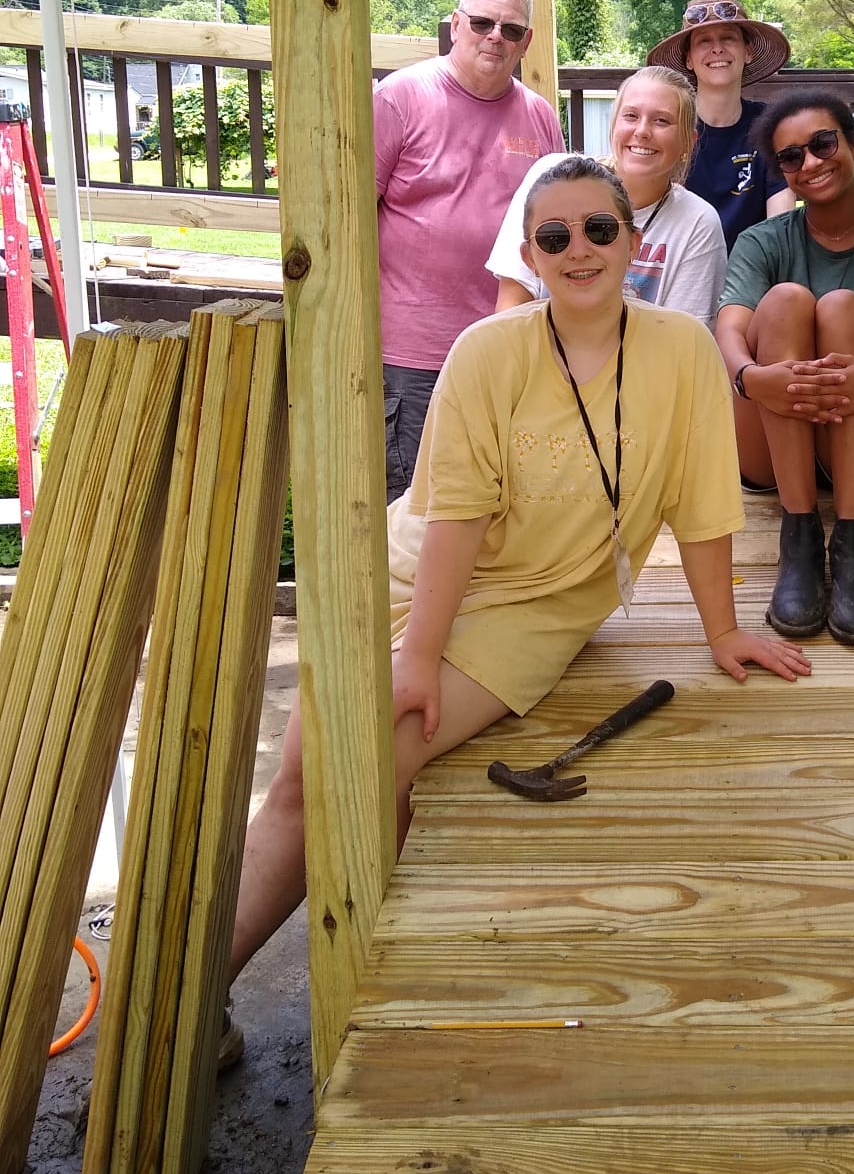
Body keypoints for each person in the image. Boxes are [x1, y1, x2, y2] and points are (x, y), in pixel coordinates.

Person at [228, 157, 810, 993]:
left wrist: (722, 632)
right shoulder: (487, 349)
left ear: (634, 243)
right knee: (299, 774)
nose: (580, 250)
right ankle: (202, 1000)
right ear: (529, 256)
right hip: (412, 567)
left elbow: (702, 504)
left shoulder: (684, 350)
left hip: (540, 602)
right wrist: (416, 659)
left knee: (369, 757)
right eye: (554, 237)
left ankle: (370, 988)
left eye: (599, 229)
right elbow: (455, 519)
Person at [716, 93, 854, 648]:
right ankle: (798, 537)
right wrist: (750, 377)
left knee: (842, 308)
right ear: (782, 171)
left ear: (852, 144)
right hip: (772, 439)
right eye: (792, 157)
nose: (811, 162)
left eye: (822, 143)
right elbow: (731, 329)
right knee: (786, 299)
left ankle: (853, 538)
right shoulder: (762, 241)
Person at [374, 0, 565, 499]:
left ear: (526, 41)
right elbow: (352, 218)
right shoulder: (399, 98)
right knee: (414, 509)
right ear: (456, 25)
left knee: (497, 503)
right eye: (482, 23)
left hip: (507, 352)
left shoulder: (540, 117)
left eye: (511, 29)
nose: (495, 37)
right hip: (415, 356)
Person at [486, 66, 726, 327]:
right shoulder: (552, 179)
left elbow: (682, 336)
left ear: (688, 141)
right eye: (631, 116)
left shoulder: (697, 222)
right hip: (539, 348)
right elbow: (511, 309)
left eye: (661, 121)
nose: (642, 131)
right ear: (613, 125)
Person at [645, 0, 795, 249]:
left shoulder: (772, 126)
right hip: (682, 263)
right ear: (689, 59)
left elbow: (780, 227)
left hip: (755, 265)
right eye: (704, 41)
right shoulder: (669, 128)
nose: (717, 49)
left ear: (748, 51)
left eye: (728, 38)